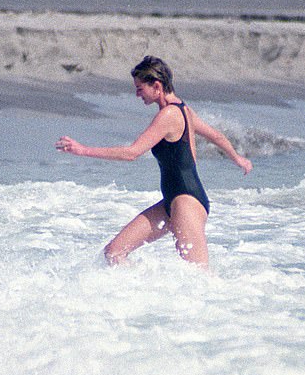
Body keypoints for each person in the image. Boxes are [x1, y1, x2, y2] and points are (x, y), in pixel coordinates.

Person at [55, 56, 252, 268]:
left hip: (187, 201)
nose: (137, 94)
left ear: (156, 86)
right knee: (114, 253)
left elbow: (132, 153)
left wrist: (83, 150)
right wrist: (237, 158)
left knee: (198, 275)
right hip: (172, 202)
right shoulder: (184, 109)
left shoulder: (169, 115)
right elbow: (217, 136)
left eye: (140, 89)